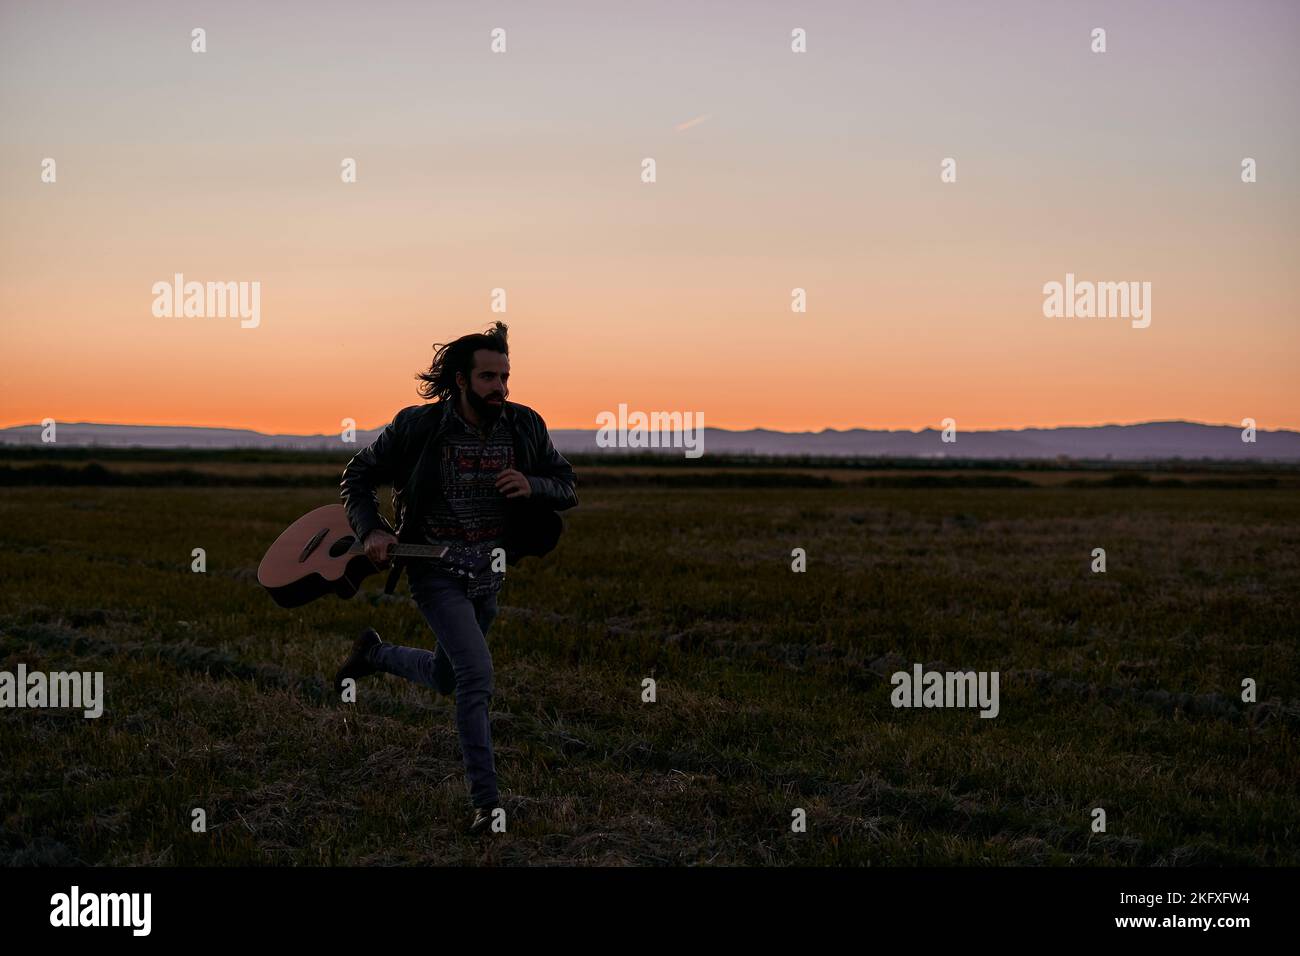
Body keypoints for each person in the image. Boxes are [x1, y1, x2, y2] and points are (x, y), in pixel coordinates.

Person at [333, 321, 577, 834]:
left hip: (489, 574)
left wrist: (531, 484)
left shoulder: (524, 426)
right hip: (433, 571)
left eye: (506, 377)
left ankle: (373, 654)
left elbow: (566, 485)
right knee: (476, 677)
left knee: (448, 676)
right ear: (461, 380)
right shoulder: (419, 427)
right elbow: (358, 476)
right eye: (489, 377)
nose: (501, 388)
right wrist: (373, 528)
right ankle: (487, 807)